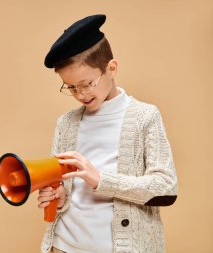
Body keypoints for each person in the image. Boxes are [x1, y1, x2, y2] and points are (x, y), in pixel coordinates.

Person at [37, 14, 178, 253]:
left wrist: (101, 180)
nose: (80, 94)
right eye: (71, 87)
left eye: (86, 83)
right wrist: (61, 197)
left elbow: (165, 188)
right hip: (63, 246)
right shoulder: (66, 123)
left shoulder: (145, 116)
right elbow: (64, 184)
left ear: (111, 68)